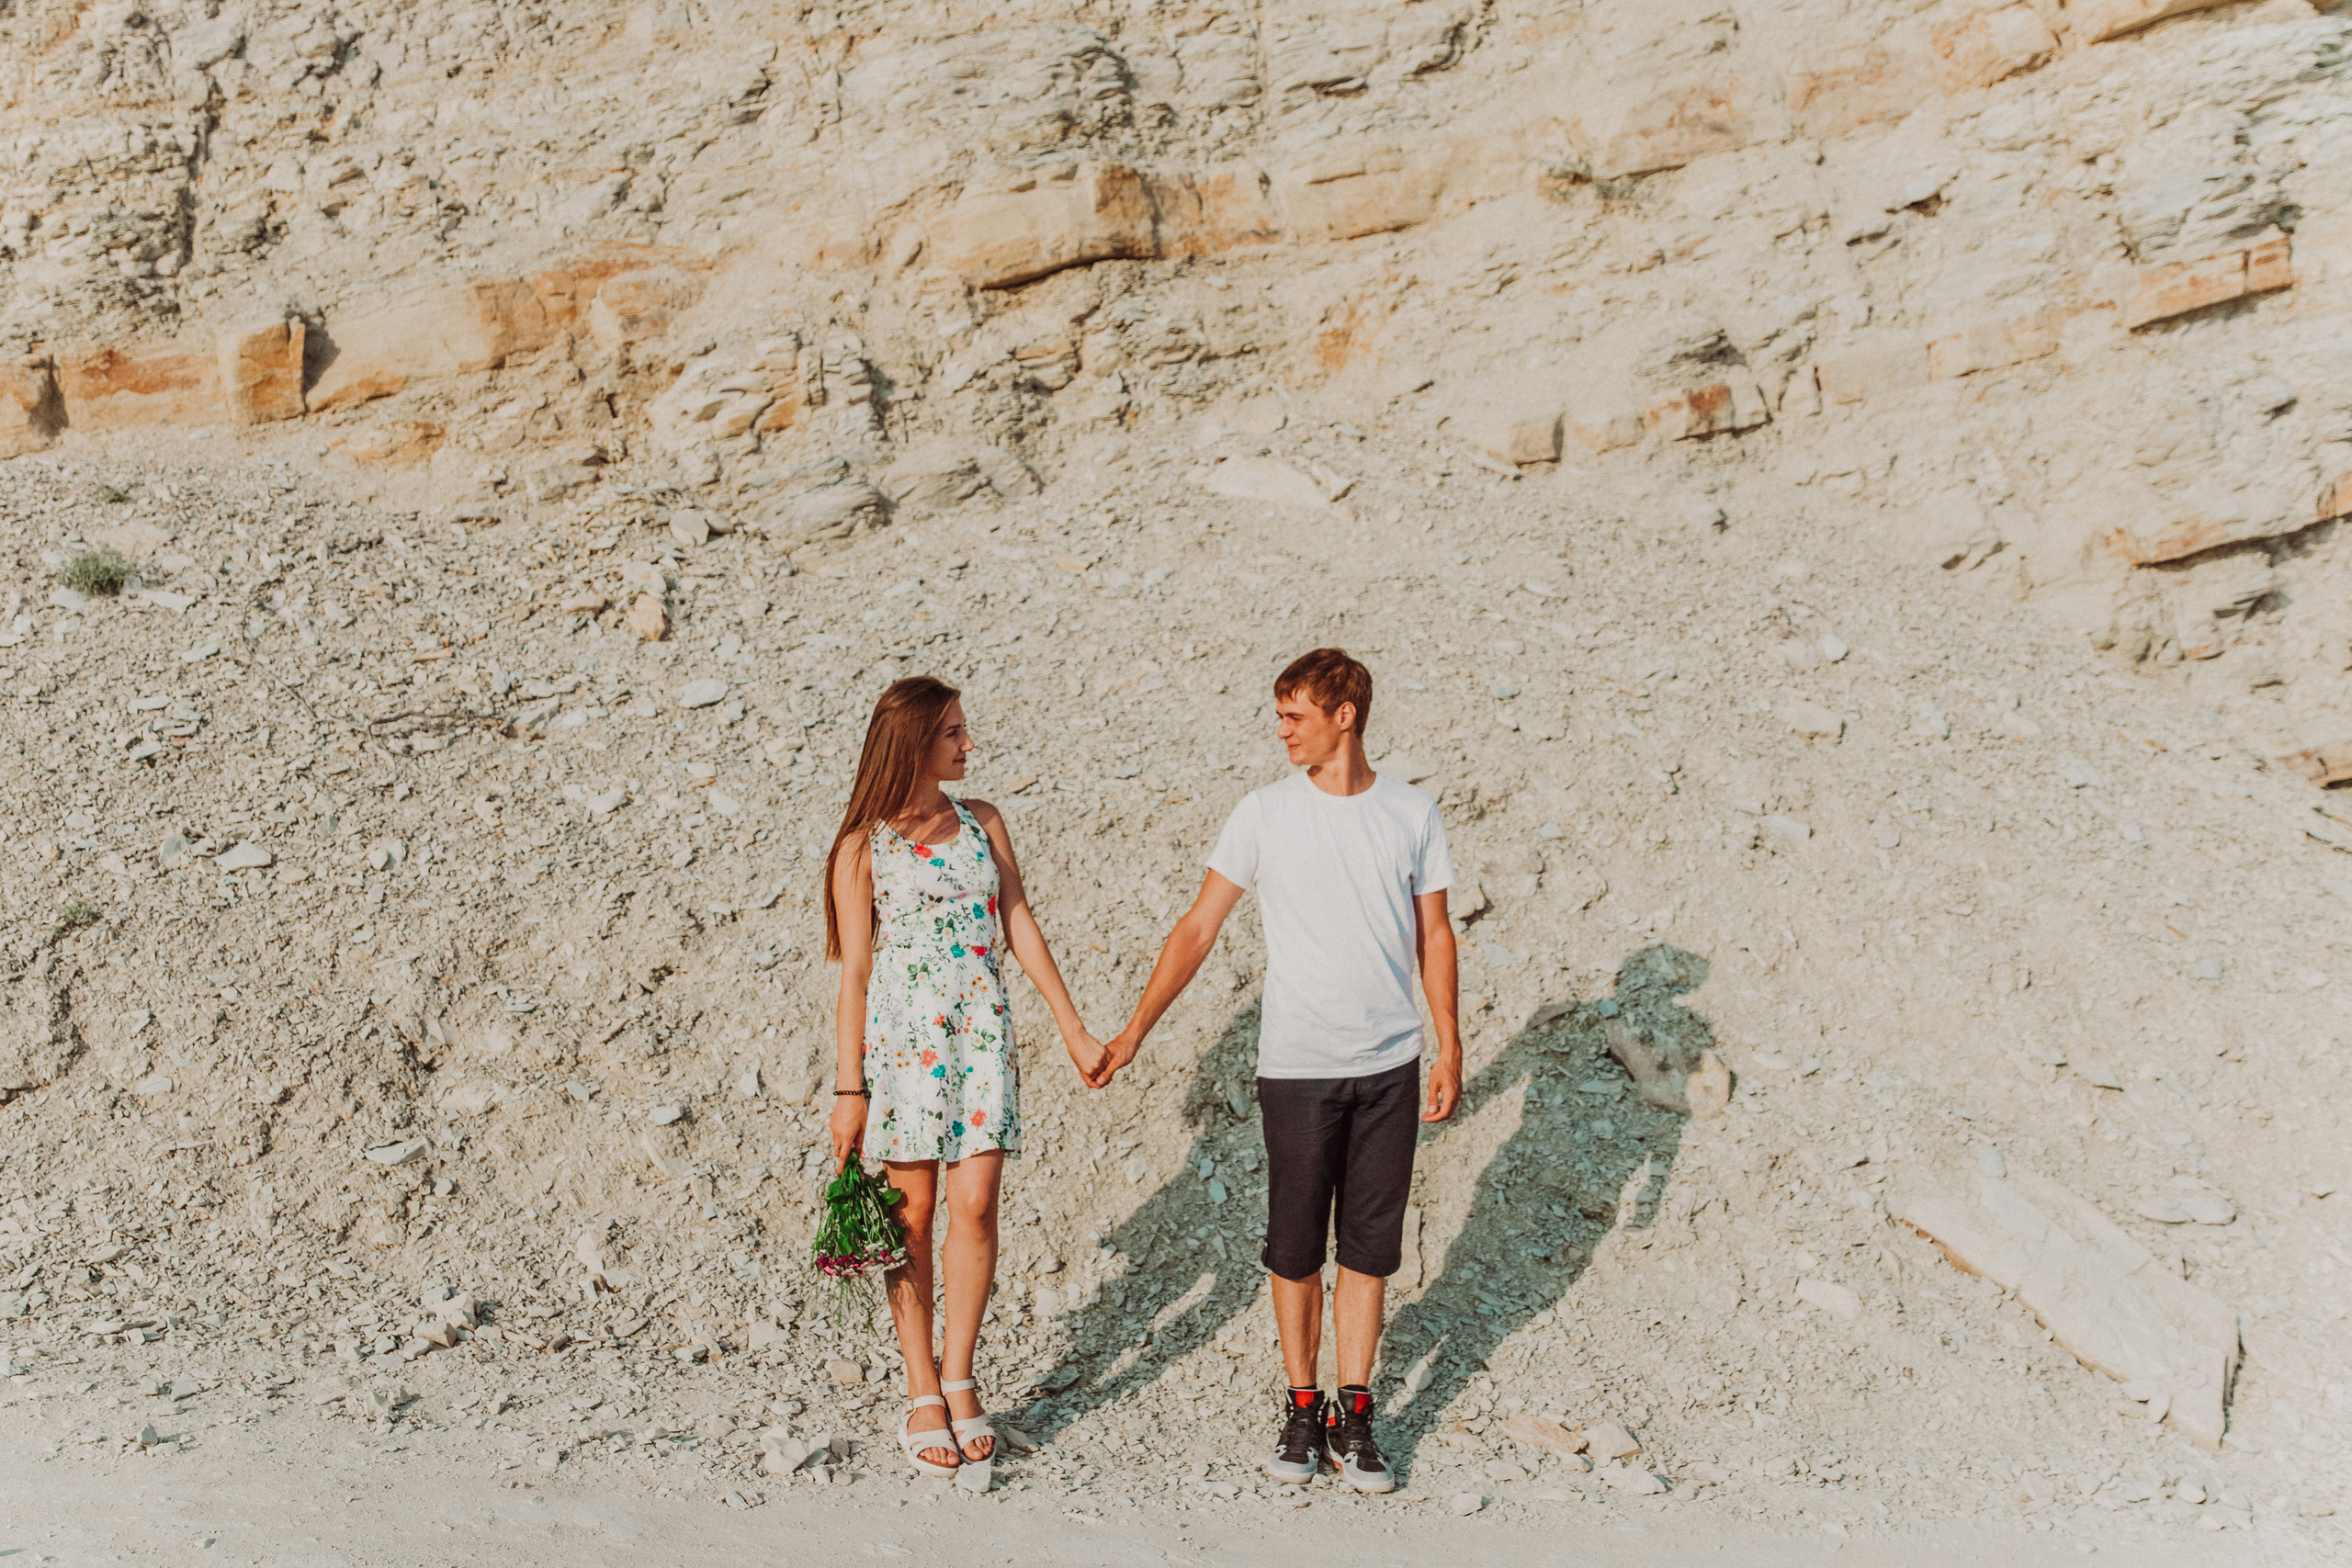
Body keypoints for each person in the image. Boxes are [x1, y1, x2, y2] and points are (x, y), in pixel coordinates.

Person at [1088, 648, 1461, 1494]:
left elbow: (1435, 934)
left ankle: (1354, 1415)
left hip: (1392, 1064)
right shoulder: (1262, 812)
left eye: (1296, 715)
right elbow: (1197, 927)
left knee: (1370, 1246)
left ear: (1346, 714)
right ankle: (1301, 1410)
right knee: (1295, 1246)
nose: (1283, 730)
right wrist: (1135, 1030)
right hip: (1296, 1064)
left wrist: (1450, 1043)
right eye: (1280, 715)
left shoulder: (1411, 813)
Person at [826, 676, 1105, 1490]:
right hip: (904, 1050)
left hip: (982, 1037)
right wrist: (850, 1092)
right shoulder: (860, 847)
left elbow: (1019, 921)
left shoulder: (983, 821)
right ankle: (919, 1390)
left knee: (977, 1203)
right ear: (912, 741)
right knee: (909, 1217)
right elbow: (855, 977)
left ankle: (960, 1377)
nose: (968, 745)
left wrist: (1072, 1024)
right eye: (952, 733)